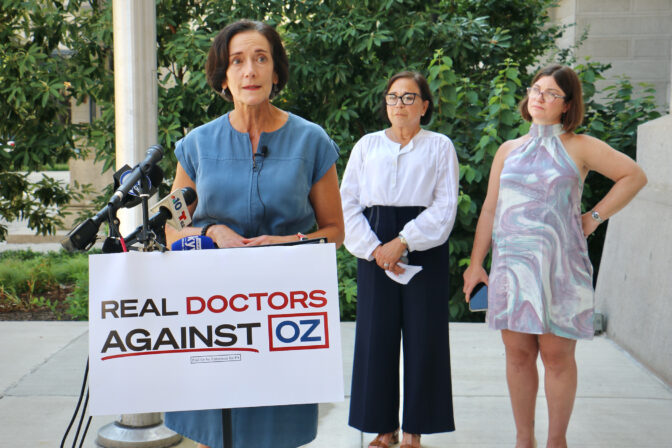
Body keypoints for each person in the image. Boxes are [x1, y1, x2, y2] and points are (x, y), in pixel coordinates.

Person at [162, 19, 344, 448]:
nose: (250, 71)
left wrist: (284, 244)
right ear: (223, 77)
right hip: (212, 312)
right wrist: (212, 232)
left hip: (283, 312)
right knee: (215, 427)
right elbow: (172, 228)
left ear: (275, 71)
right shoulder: (197, 145)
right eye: (237, 61)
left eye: (261, 59)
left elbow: (334, 231)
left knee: (275, 430)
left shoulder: (312, 141)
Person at [462, 64, 647, 448]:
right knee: (517, 356)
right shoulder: (507, 150)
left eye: (550, 93)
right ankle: (523, 440)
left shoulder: (580, 146)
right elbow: (490, 210)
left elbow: (633, 176)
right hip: (512, 269)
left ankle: (556, 441)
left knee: (557, 357)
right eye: (535, 89)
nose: (538, 97)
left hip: (561, 268)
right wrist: (476, 264)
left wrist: (594, 218)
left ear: (567, 105)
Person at [341, 71, 459, 448]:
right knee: (376, 338)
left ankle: (414, 432)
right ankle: (382, 428)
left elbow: (445, 205)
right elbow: (348, 203)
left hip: (423, 244)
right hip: (373, 244)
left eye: (409, 98)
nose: (400, 105)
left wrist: (403, 241)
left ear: (424, 106)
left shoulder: (440, 146)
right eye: (393, 98)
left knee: (425, 338)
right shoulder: (367, 146)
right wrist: (376, 249)